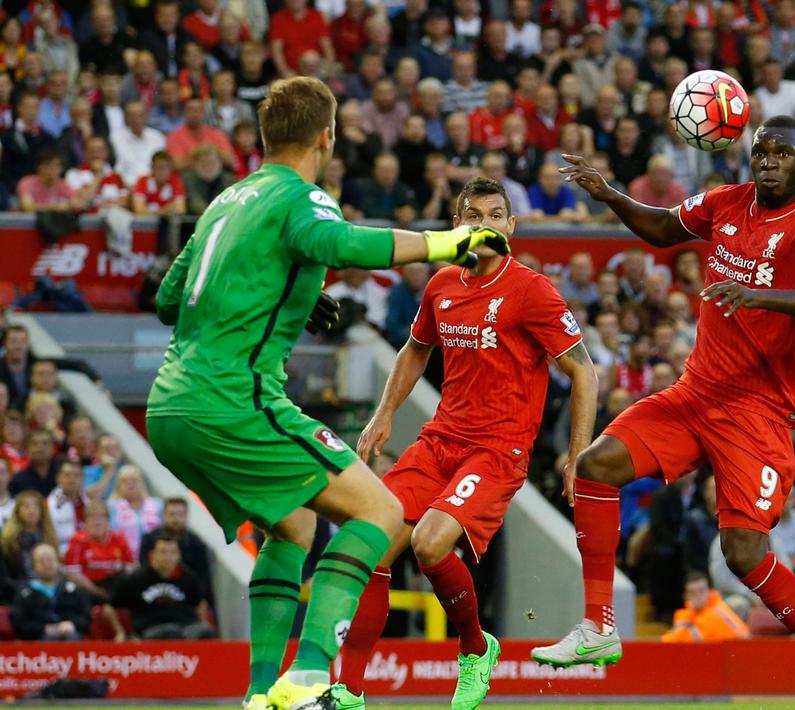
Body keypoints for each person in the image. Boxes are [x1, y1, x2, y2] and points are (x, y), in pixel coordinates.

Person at [144, 77, 509, 710]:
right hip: (235, 400)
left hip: (168, 406)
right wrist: (449, 244)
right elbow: (342, 243)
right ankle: (311, 676)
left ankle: (261, 694)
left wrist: (295, 291)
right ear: (327, 136)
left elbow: (169, 299)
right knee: (381, 513)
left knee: (293, 528)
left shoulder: (225, 201)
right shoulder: (301, 197)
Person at [532, 115, 795, 709]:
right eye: (761, 151)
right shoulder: (726, 201)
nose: (767, 161)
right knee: (595, 466)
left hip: (758, 413)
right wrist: (612, 194)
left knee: (743, 553)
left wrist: (756, 294)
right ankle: (599, 628)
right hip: (696, 394)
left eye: (781, 153)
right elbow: (663, 229)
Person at [336, 177, 598, 710]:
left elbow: (583, 372)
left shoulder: (531, 290)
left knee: (431, 544)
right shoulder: (442, 285)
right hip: (441, 440)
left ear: (511, 226)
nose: (484, 224)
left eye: (495, 214)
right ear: (458, 227)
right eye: (472, 215)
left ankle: (476, 649)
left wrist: (577, 454)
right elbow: (415, 350)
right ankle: (348, 692)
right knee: (371, 543)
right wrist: (384, 415)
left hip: (498, 451)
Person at [108, 531, 215, 640]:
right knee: (170, 632)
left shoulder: (189, 577)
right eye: (163, 552)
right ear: (152, 555)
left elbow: (199, 605)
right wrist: (119, 632)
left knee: (206, 632)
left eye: (173, 552)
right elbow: (109, 608)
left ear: (179, 555)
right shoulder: (135, 579)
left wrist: (203, 623)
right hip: (151, 630)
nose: (168, 557)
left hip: (185, 627)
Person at [10, 543, 91, 640]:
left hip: (71, 638)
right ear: (34, 566)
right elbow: (19, 623)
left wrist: (72, 624)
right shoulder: (25, 592)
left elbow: (86, 618)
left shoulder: (74, 589)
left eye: (50, 559)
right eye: (41, 561)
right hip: (37, 642)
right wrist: (43, 628)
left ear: (58, 562)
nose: (47, 565)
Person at [661, 571, 750, 642]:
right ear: (686, 596)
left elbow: (682, 641)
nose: (698, 596)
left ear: (709, 591)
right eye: (692, 592)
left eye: (701, 591)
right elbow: (669, 642)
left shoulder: (716, 613)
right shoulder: (687, 614)